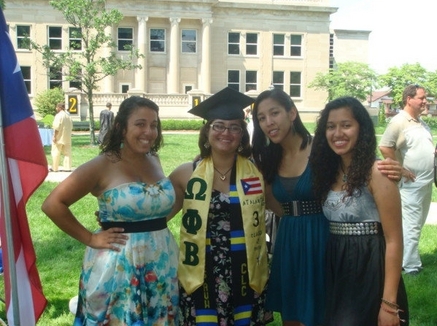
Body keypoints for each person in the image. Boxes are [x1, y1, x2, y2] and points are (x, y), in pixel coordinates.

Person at [251, 88, 402, 326]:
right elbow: (268, 198)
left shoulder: (322, 150)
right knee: (292, 316)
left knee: (324, 314)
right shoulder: (266, 158)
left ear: (292, 113)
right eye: (261, 117)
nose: (269, 122)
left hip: (324, 239)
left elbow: (358, 164)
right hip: (289, 241)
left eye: (274, 113)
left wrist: (395, 169)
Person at [42, 96, 180, 325]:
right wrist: (90, 238)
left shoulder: (154, 159)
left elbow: (152, 206)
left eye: (154, 125)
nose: (149, 131)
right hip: (119, 268)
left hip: (161, 264)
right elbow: (53, 204)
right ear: (120, 127)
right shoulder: (102, 164)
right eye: (140, 124)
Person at [169, 87, 271, 325]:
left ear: (242, 135)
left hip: (247, 271)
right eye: (219, 126)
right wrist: (120, 219)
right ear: (207, 132)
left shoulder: (257, 173)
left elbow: (282, 206)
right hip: (201, 271)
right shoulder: (186, 174)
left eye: (235, 127)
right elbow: (159, 214)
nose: (227, 132)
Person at [310, 96, 409, 326]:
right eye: (331, 127)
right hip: (337, 265)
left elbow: (394, 240)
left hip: (370, 266)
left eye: (346, 125)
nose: (338, 133)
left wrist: (389, 304)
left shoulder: (377, 172)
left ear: (361, 129)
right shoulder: (327, 171)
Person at [379, 84, 437, 275]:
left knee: (417, 223)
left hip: (425, 183)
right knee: (411, 224)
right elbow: (385, 147)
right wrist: (400, 169)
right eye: (422, 98)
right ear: (409, 99)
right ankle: (410, 266)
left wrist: (436, 153)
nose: (425, 101)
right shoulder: (399, 122)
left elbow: (417, 149)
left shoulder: (420, 122)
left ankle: (404, 259)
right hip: (410, 185)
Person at [51, 102, 73, 172]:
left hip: (59, 137)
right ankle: (67, 168)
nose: (56, 108)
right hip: (67, 137)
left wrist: (54, 136)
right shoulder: (68, 116)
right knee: (67, 153)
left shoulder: (58, 116)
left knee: (56, 152)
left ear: (59, 108)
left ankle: (55, 168)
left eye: (57, 107)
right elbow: (71, 126)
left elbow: (57, 127)